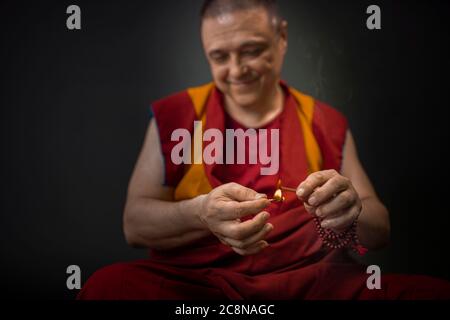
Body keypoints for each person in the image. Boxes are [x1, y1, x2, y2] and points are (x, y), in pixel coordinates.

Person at [78, 0, 450, 299]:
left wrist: (352, 210)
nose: (236, 70)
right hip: (199, 286)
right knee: (107, 286)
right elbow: (134, 225)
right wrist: (200, 213)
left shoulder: (323, 120)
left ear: (282, 37)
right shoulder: (177, 115)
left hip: (311, 283)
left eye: (251, 50)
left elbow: (379, 230)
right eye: (219, 57)